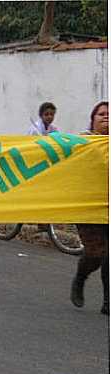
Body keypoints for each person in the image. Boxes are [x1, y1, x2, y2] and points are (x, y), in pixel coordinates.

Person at [70, 101, 109, 315]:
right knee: (96, 253)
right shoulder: (82, 142)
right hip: (88, 207)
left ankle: (107, 302)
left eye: (109, 114)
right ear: (93, 119)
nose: (106, 117)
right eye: (102, 114)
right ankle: (81, 276)